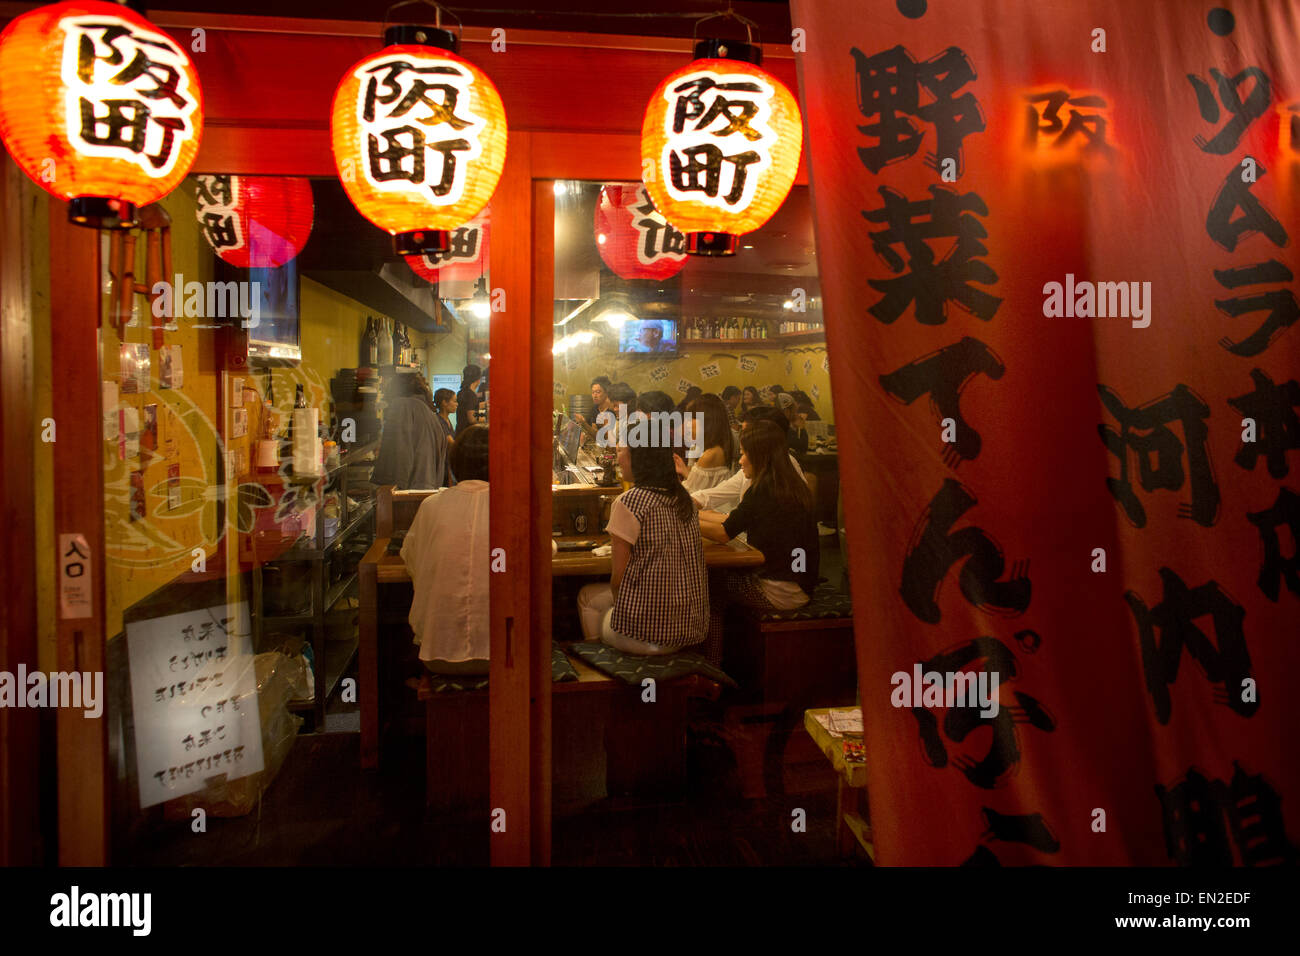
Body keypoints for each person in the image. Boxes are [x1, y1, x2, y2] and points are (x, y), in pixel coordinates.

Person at [577, 391, 708, 655]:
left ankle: (606, 666)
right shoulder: (683, 497)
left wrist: (625, 610)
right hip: (690, 630)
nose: (618, 454)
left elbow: (619, 579)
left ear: (640, 456)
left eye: (623, 449)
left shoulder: (629, 502)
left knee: (588, 597)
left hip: (646, 635)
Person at [698, 420, 820, 662]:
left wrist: (681, 518)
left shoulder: (763, 488)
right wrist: (691, 514)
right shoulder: (788, 484)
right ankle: (731, 662)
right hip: (800, 586)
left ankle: (711, 668)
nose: (740, 460)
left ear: (760, 456)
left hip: (779, 591)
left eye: (744, 454)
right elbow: (732, 522)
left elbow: (724, 533)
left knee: (710, 587)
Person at [401, 426, 491, 673]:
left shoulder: (431, 506)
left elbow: (411, 560)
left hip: (436, 654)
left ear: (454, 463)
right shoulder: (512, 506)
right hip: (504, 655)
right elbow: (546, 553)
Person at [687, 405, 807, 513]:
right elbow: (716, 493)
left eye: (745, 432)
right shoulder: (757, 465)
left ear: (764, 434)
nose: (740, 436)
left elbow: (732, 526)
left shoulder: (781, 470)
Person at [371, 372, 447, 490]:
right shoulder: (427, 411)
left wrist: (390, 490)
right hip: (427, 488)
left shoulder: (402, 405)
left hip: (408, 492)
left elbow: (401, 452)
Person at [677, 393, 736, 494]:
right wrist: (683, 470)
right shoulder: (699, 446)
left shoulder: (711, 454)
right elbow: (698, 485)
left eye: (691, 418)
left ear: (706, 420)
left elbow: (692, 494)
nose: (687, 423)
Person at [433, 387, 457, 484]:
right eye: (454, 401)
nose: (457, 404)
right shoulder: (439, 421)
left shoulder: (447, 420)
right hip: (442, 465)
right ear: (444, 402)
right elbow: (451, 442)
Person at [455, 364, 482, 437]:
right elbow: (471, 419)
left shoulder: (462, 392)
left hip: (460, 433)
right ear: (478, 380)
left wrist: (484, 404)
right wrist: (486, 416)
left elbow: (469, 407)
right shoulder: (471, 395)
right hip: (468, 435)